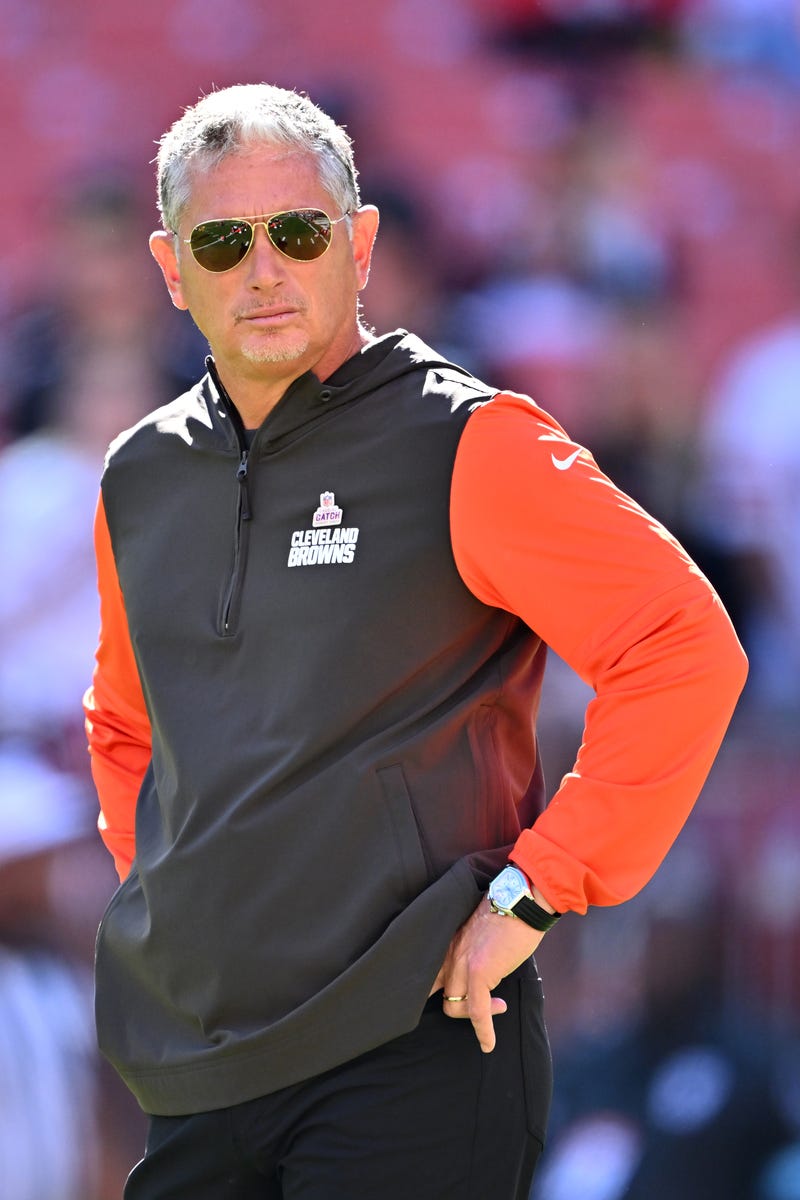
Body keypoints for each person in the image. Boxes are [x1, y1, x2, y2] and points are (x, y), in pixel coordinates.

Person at [83, 83, 747, 1200]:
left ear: (360, 242)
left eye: (297, 232)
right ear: (168, 265)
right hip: (200, 1066)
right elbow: (125, 727)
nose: (263, 270)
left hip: (413, 1050)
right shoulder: (139, 477)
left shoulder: (468, 443)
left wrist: (534, 890)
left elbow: (680, 646)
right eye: (222, 240)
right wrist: (185, 914)